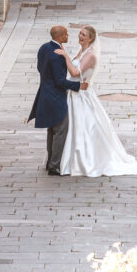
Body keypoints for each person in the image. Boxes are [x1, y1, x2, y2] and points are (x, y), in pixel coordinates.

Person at [55, 25, 137, 178]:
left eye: (84, 35)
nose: (80, 36)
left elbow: (74, 72)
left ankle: (86, 160)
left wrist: (65, 56)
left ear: (91, 38)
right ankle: (67, 159)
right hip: (73, 93)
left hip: (82, 96)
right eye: (80, 33)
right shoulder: (82, 50)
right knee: (72, 128)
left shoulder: (91, 55)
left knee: (84, 128)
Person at [28, 25, 88, 176]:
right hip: (55, 98)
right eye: (66, 34)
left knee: (51, 130)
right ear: (60, 36)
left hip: (44, 94)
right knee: (61, 131)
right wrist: (78, 85)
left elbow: (40, 68)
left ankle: (50, 162)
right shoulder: (57, 55)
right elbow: (60, 81)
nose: (68, 36)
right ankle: (55, 166)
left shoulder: (43, 48)